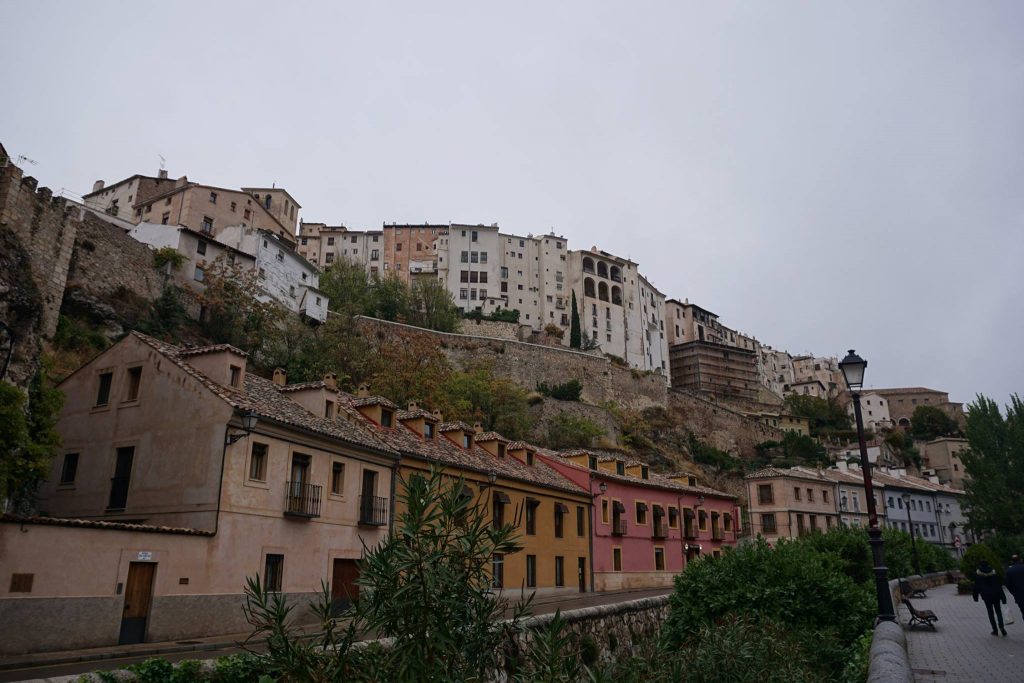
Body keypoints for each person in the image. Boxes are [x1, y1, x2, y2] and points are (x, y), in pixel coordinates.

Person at [973, 559, 1008, 636]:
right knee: (998, 611)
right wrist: (1003, 597)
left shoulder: (978, 574)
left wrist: (975, 597)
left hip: (986, 596)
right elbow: (999, 585)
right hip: (996, 594)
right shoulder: (993, 573)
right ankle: (1002, 627)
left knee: (990, 612)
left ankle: (995, 629)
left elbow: (976, 587)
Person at [1007, 554, 1024, 620]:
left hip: (1019, 596)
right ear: (1020, 560)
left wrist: (1014, 593)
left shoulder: (1009, 571)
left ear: (1012, 561)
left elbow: (1008, 585)